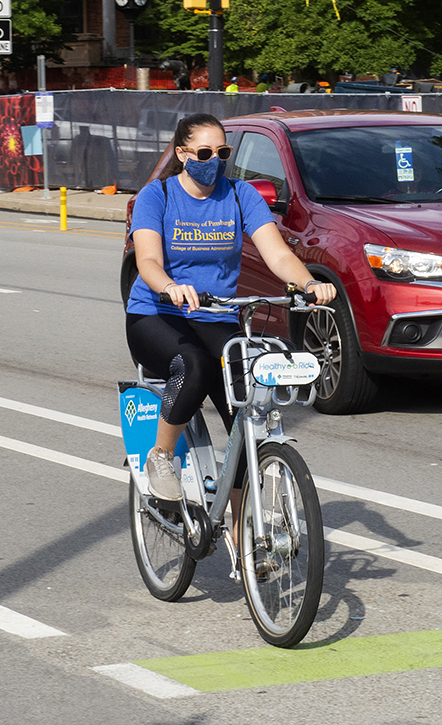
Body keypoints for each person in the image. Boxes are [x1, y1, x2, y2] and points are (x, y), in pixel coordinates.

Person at [126, 113, 336, 502]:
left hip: (215, 315)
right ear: (182, 153)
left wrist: (307, 283)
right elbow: (148, 263)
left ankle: (244, 541)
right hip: (156, 315)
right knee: (194, 365)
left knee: (246, 414)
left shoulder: (240, 195)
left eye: (222, 152)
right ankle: (161, 455)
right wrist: (170, 287)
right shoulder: (159, 196)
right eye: (204, 152)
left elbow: (278, 254)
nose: (215, 160)